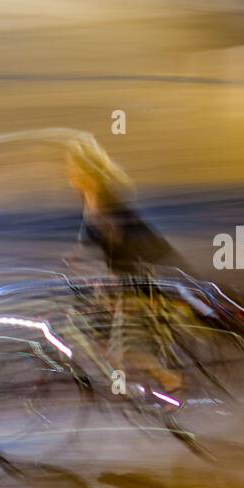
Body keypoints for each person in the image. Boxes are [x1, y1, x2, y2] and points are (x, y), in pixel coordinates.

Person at [62, 135, 185, 395]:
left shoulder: (107, 203)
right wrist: (79, 259)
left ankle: (169, 382)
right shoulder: (91, 199)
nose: (69, 174)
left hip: (132, 284)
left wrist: (110, 284)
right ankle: (136, 390)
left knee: (125, 352)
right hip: (117, 283)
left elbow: (123, 248)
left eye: (74, 169)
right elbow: (99, 244)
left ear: (87, 172)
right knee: (103, 341)